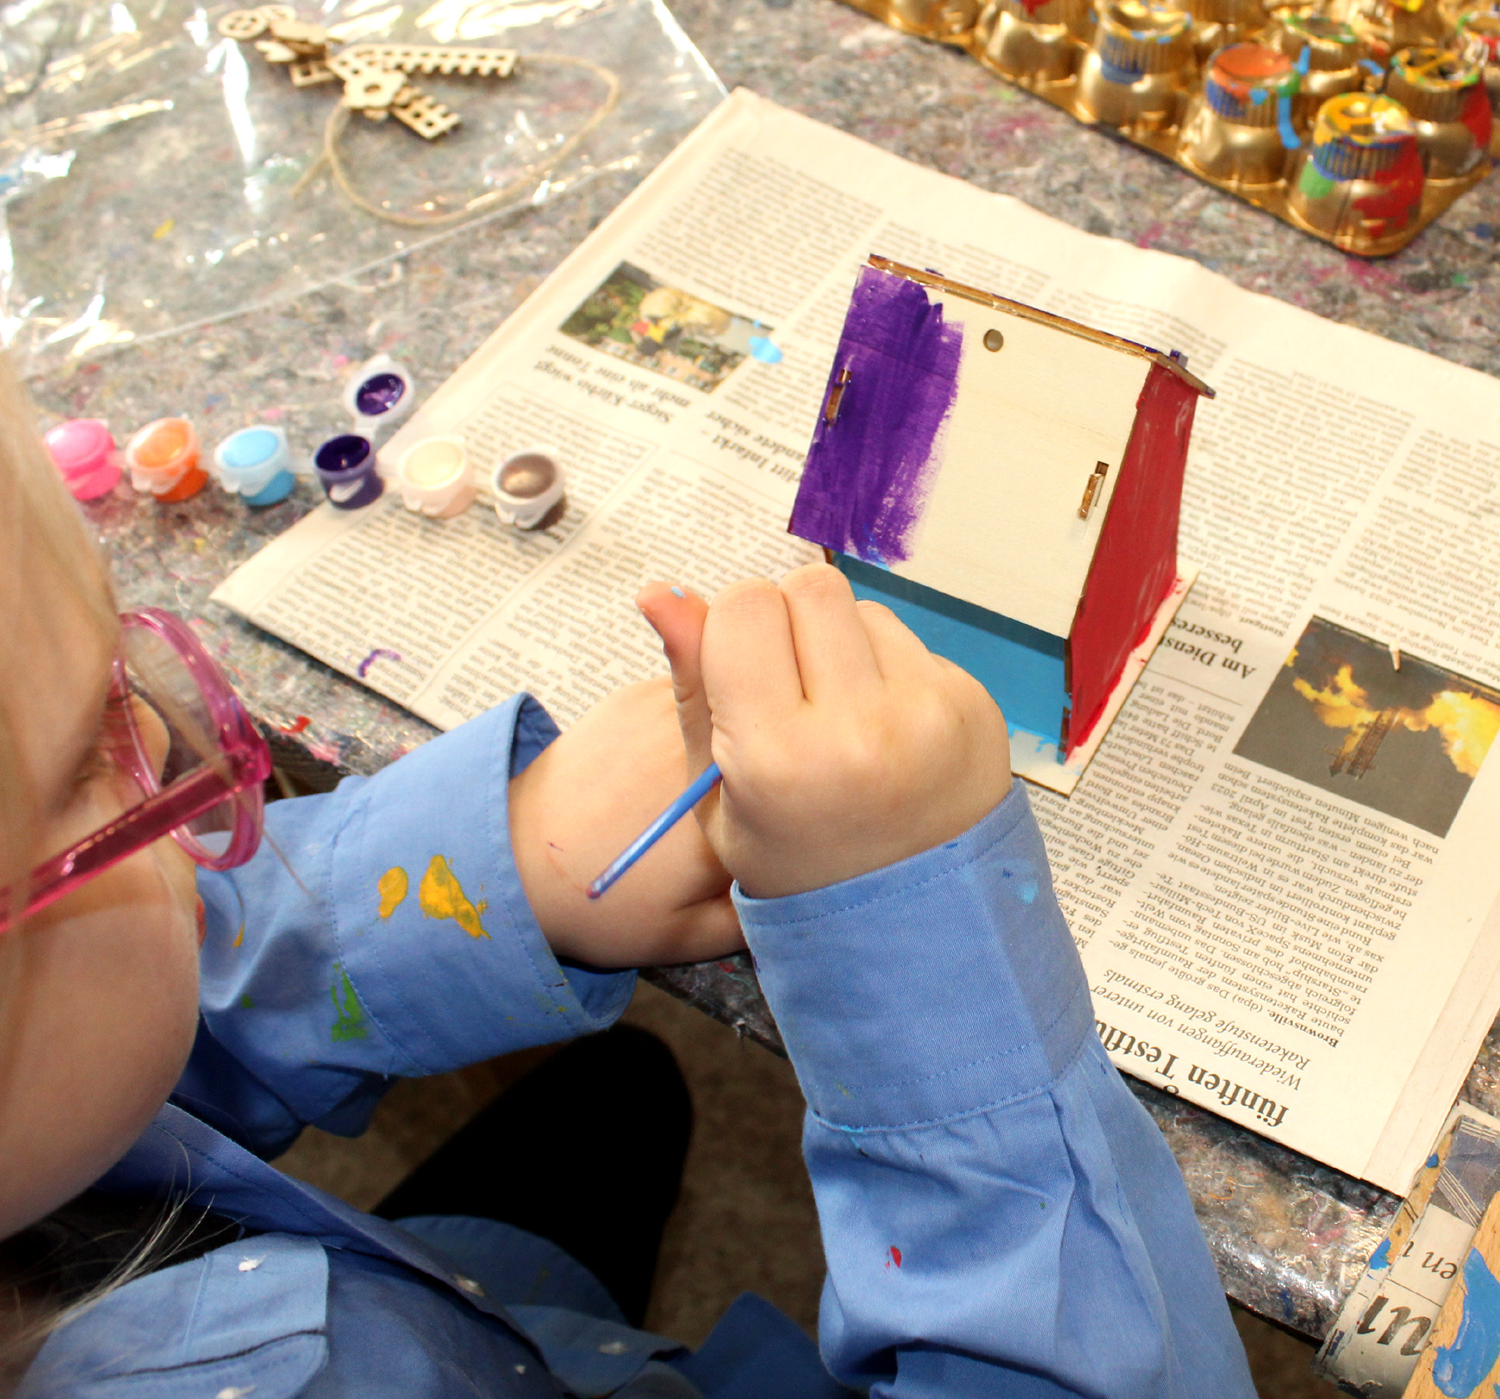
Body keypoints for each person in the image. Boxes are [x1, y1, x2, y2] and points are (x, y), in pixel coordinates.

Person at [0, 356, 1257, 1398]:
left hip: (434, 1316)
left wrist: (488, 871)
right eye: (81, 768)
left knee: (619, 1093)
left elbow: (171, 1002)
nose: (164, 742)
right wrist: (936, 972)